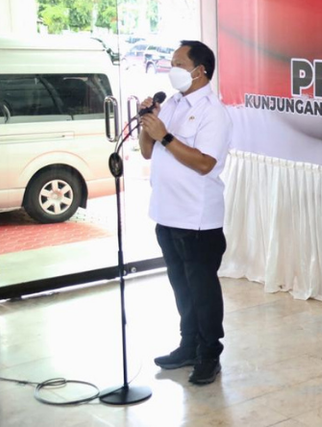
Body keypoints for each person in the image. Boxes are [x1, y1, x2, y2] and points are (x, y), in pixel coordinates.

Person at [138, 40, 233, 385]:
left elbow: (206, 163)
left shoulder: (213, 111)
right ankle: (188, 344)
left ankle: (210, 352)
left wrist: (164, 136)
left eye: (178, 62)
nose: (171, 68)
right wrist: (147, 124)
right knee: (181, 286)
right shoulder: (173, 103)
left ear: (199, 70)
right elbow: (148, 152)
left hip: (197, 218)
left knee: (202, 290)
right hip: (166, 213)